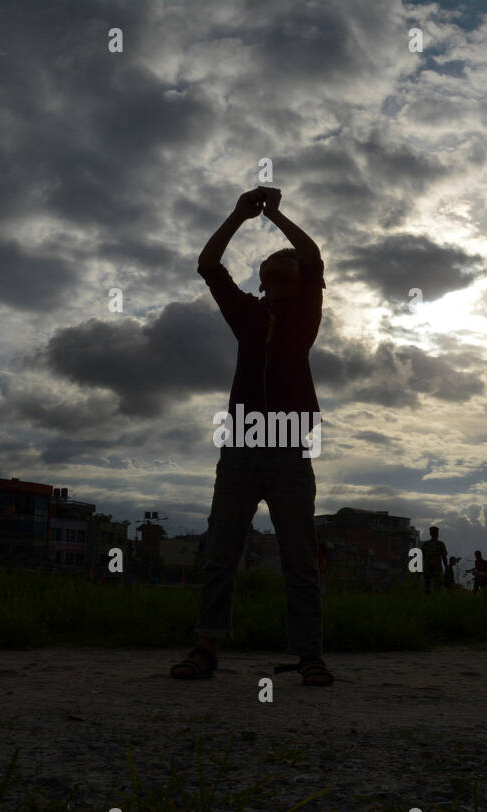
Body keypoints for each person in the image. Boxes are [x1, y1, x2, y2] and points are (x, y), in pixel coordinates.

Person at [172, 186, 333, 686]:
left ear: (302, 281)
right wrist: (240, 215)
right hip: (241, 446)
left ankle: (309, 655)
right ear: (262, 281)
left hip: (287, 447)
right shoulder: (246, 314)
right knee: (221, 552)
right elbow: (208, 263)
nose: (284, 264)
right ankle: (206, 647)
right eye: (273, 264)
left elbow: (311, 254)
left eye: (290, 265)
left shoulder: (305, 313)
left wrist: (277, 215)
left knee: (299, 560)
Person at [422, 526, 448, 593]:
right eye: (435, 533)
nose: (436, 534)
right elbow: (444, 557)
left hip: (432, 567)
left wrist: (446, 567)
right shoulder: (438, 544)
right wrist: (446, 567)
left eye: (436, 533)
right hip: (432, 568)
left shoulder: (439, 544)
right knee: (431, 587)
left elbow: (444, 557)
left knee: (432, 587)